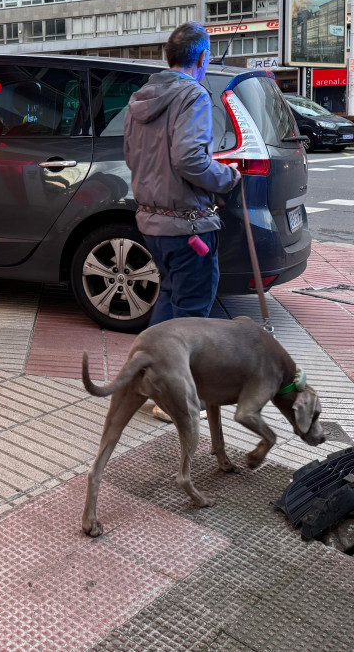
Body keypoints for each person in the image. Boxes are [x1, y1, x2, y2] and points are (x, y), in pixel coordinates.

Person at [123, 22, 241, 421]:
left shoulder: (141, 97)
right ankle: (171, 398)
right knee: (191, 312)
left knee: (170, 301)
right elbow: (190, 159)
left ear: (167, 57)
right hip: (188, 224)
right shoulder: (192, 95)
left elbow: (132, 156)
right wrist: (226, 177)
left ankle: (147, 382)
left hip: (152, 221)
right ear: (203, 58)